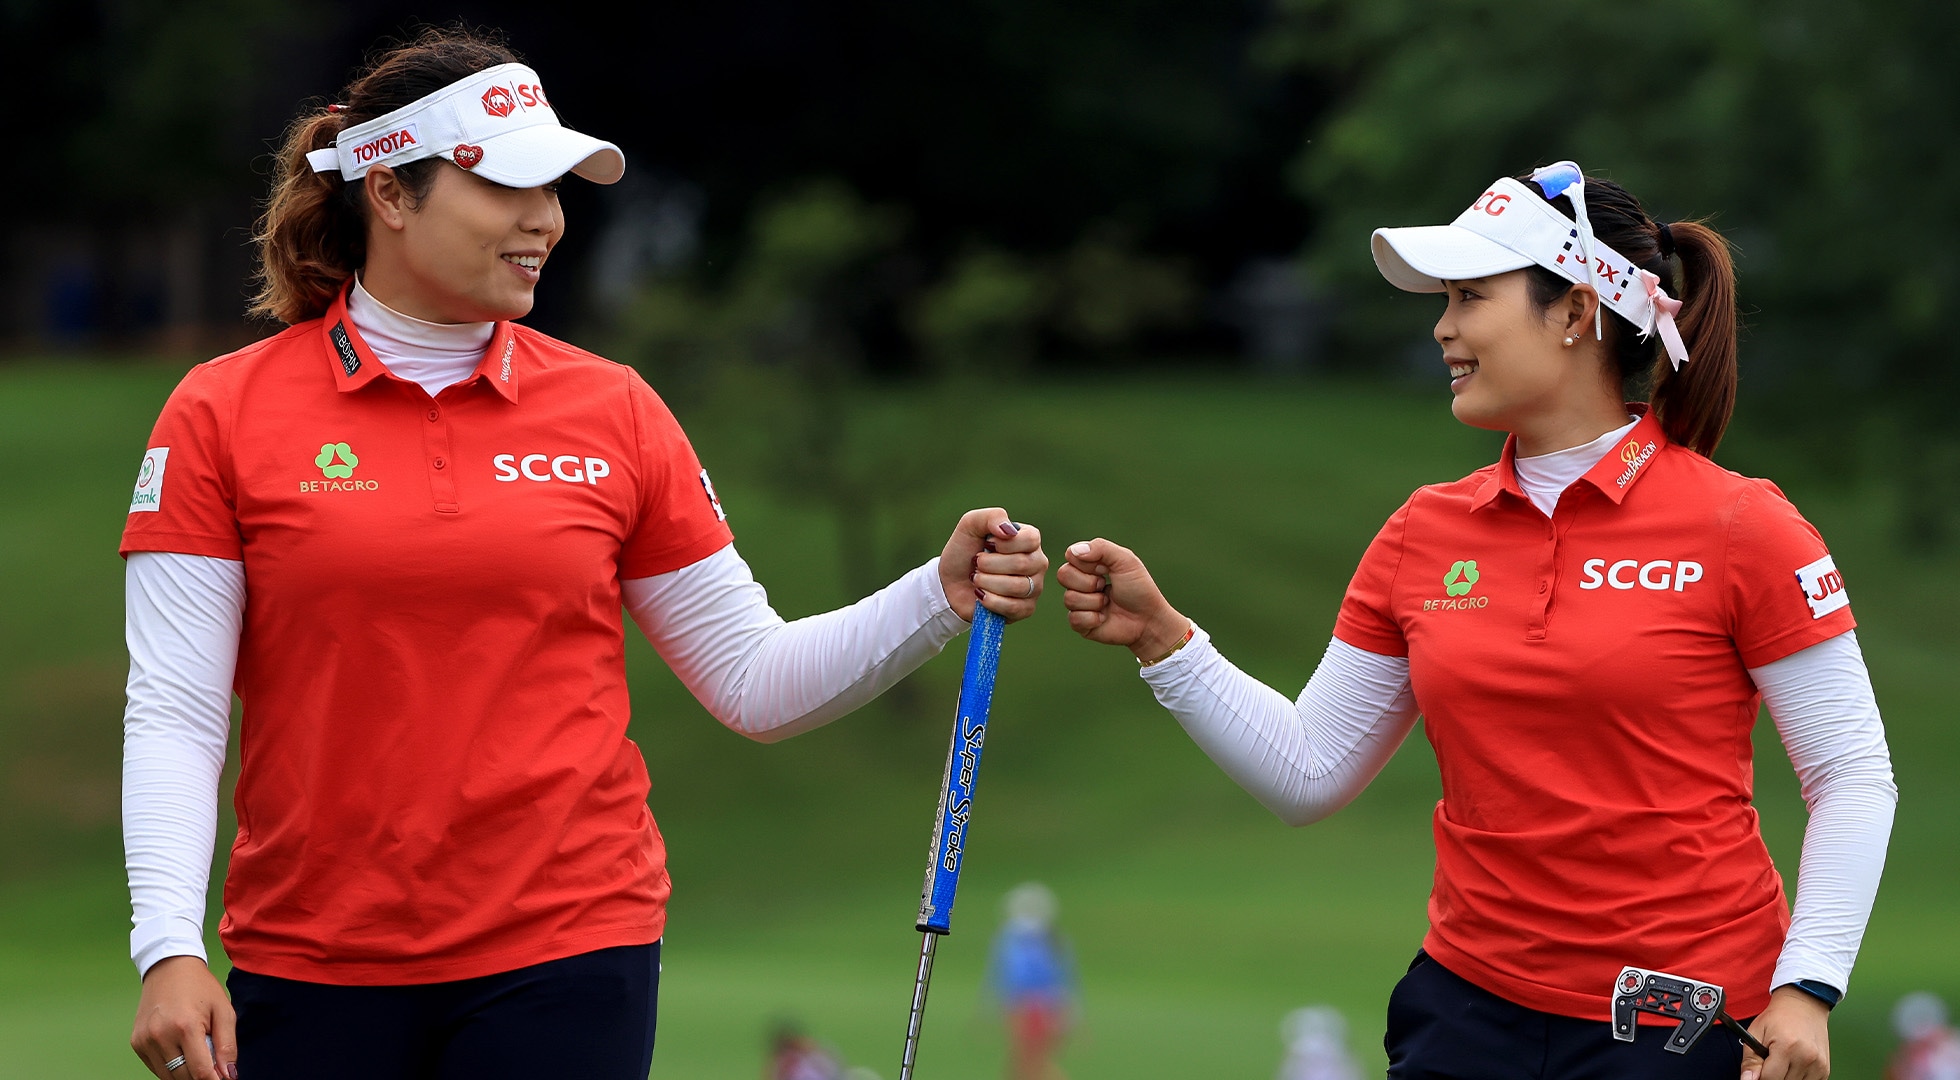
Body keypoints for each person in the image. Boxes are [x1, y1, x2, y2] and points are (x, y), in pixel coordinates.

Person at [119, 28, 1048, 1080]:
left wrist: (939, 592)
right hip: (313, 961)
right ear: (389, 192)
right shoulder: (220, 412)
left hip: (568, 949)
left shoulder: (613, 411)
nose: (545, 220)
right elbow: (177, 710)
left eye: (556, 189)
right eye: (510, 186)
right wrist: (169, 947)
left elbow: (754, 680)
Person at [1059, 161, 1896, 1080]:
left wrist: (1807, 987)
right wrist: (1163, 639)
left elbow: (1851, 775)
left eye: (1469, 296)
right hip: (1466, 1016)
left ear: (1575, 312)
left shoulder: (1745, 526)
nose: (1443, 327)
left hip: (1680, 1026)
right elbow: (1310, 770)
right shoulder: (1424, 529)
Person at [985, 882, 1077, 1080]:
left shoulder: (1051, 939)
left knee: (1033, 1062)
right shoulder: (1009, 938)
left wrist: (1066, 1013)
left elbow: (1064, 979)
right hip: (1020, 1005)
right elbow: (999, 976)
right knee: (1021, 1062)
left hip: (1038, 1006)